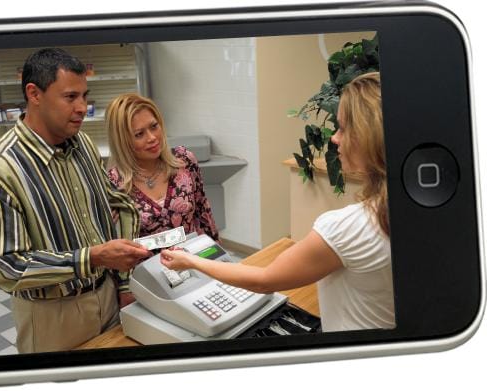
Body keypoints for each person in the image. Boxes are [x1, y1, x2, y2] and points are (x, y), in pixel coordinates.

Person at [160, 72, 395, 332]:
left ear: (370, 136)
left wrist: (191, 262)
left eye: (343, 128)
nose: (335, 138)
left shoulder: (347, 227)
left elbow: (264, 280)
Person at [0, 48, 151, 353]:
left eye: (85, 96)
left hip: (106, 294)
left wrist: (122, 282)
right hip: (52, 316)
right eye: (70, 97)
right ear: (34, 94)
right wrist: (92, 257)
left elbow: (117, 204)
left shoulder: (82, 144)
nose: (82, 107)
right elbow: (8, 267)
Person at [106, 93, 219, 242]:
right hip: (145, 265)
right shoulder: (113, 184)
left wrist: (218, 259)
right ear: (122, 141)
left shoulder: (184, 161)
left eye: (154, 126)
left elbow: (204, 215)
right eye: (139, 134)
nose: (152, 137)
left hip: (192, 260)